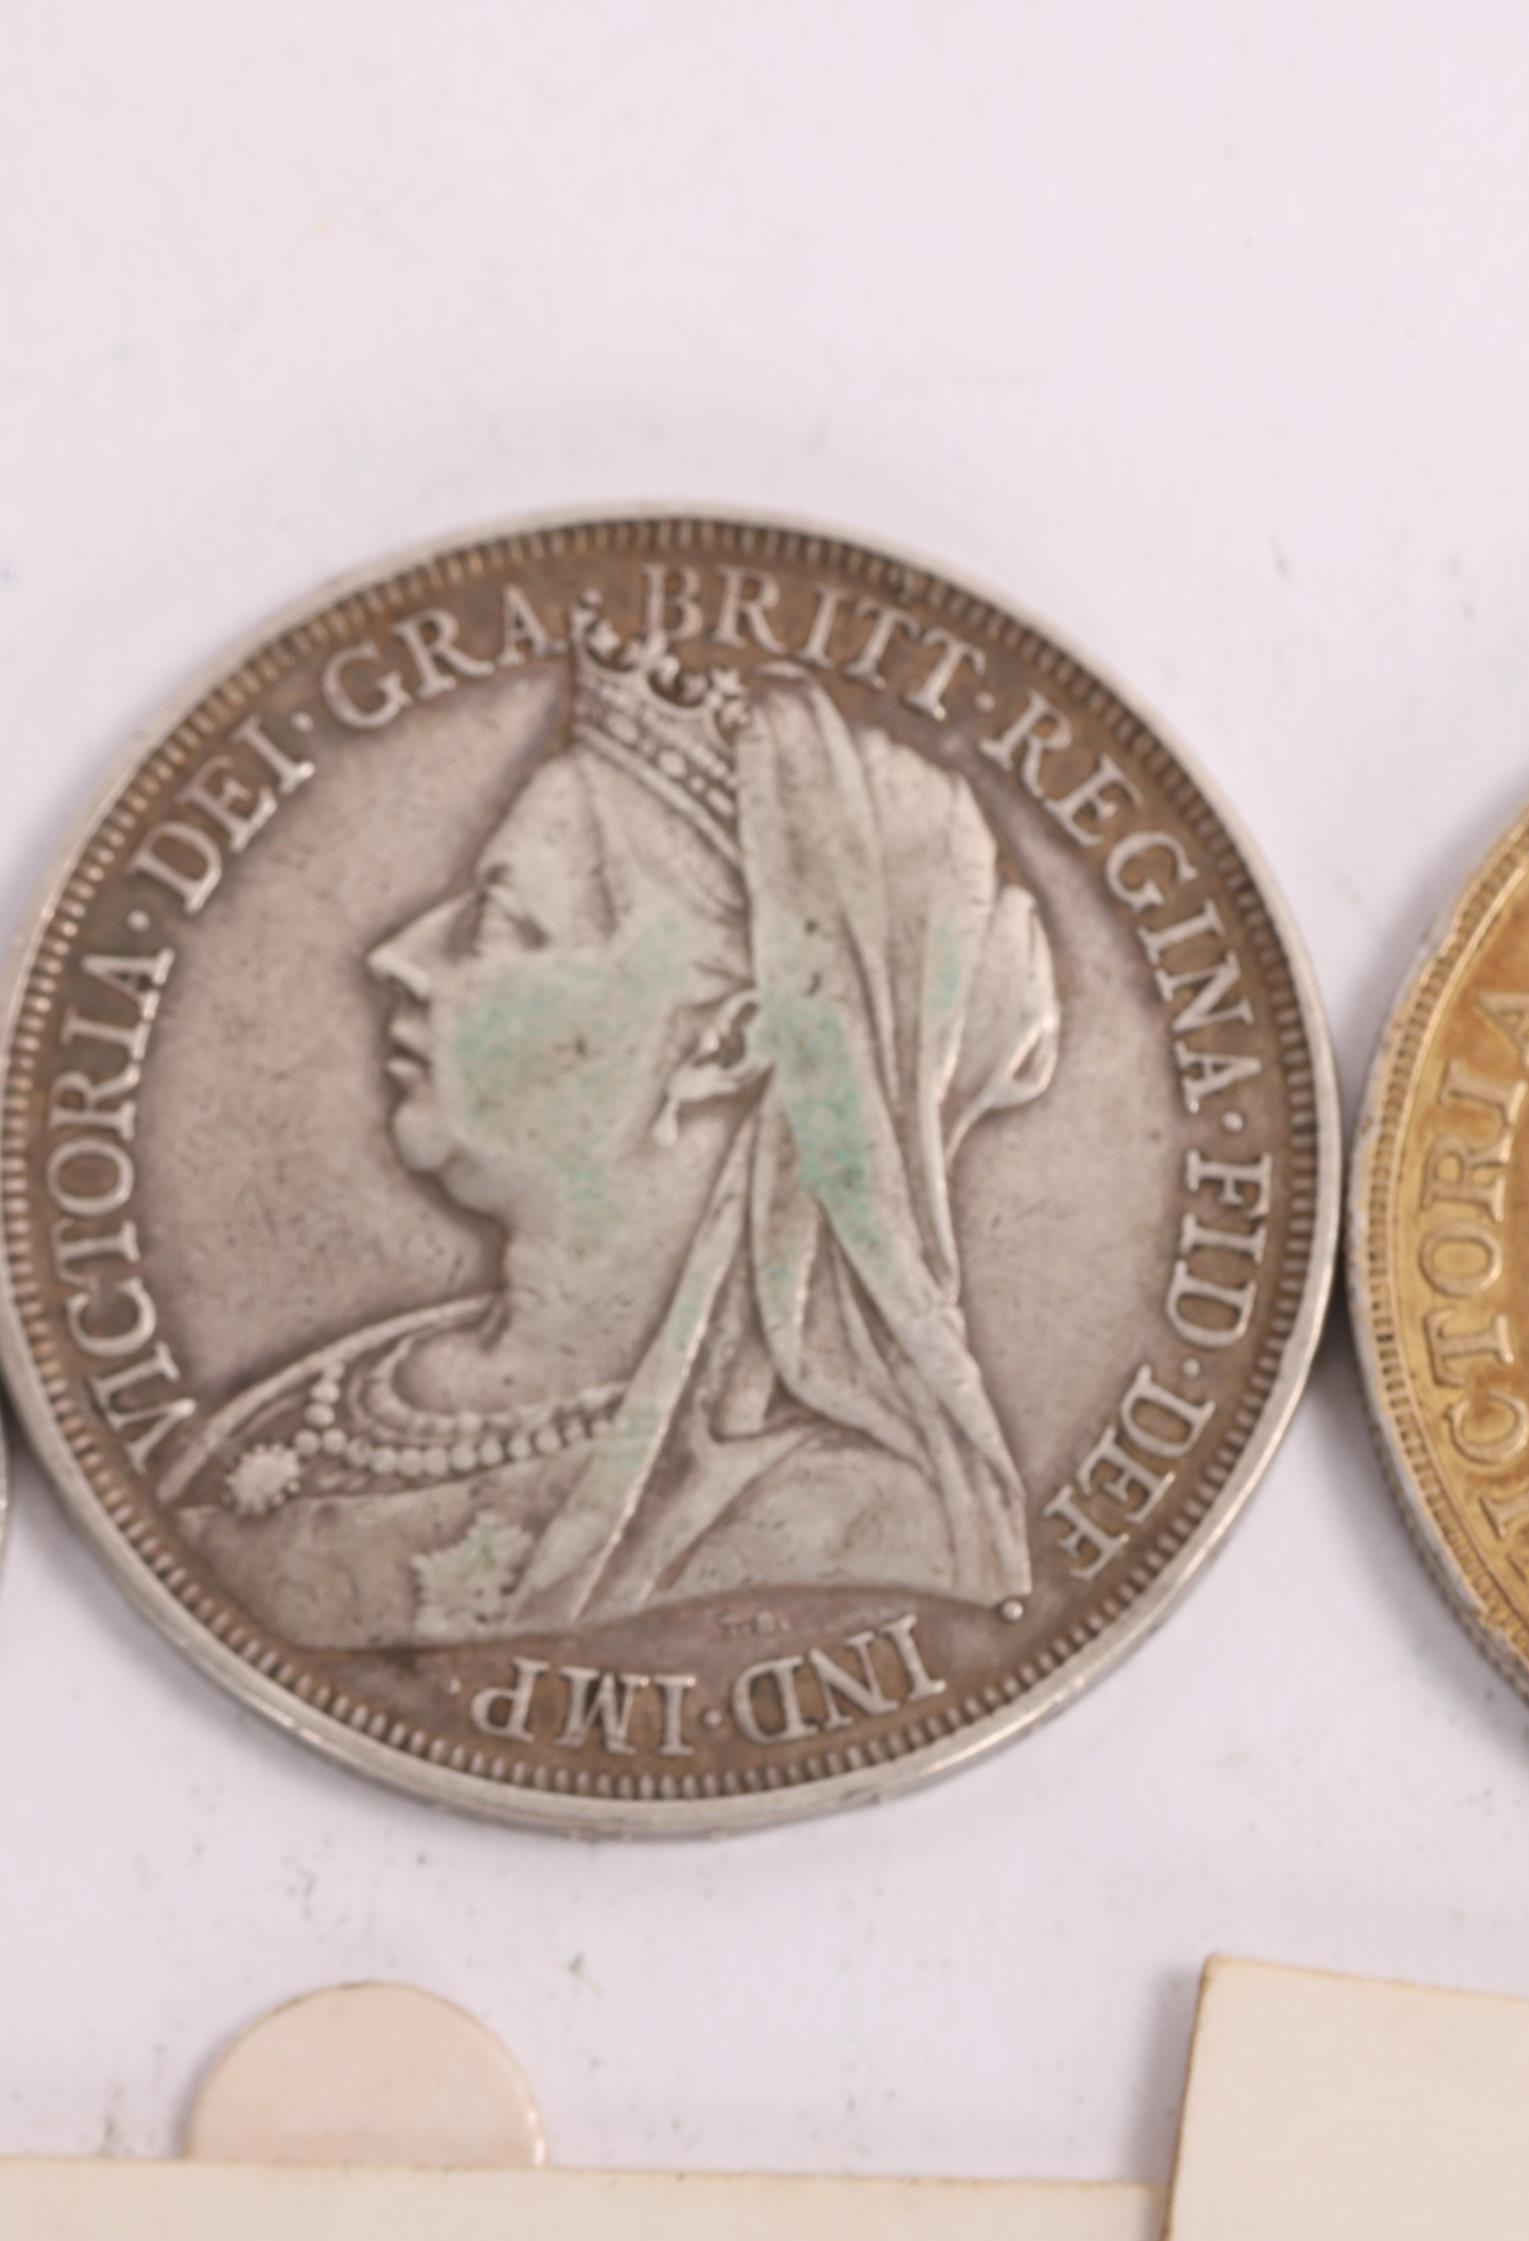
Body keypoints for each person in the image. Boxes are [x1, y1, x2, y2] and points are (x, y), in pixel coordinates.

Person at [167, 611, 1059, 1646]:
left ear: (727, 1042)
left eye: (503, 922)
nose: (398, 957)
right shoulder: (333, 1399)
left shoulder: (848, 1530)